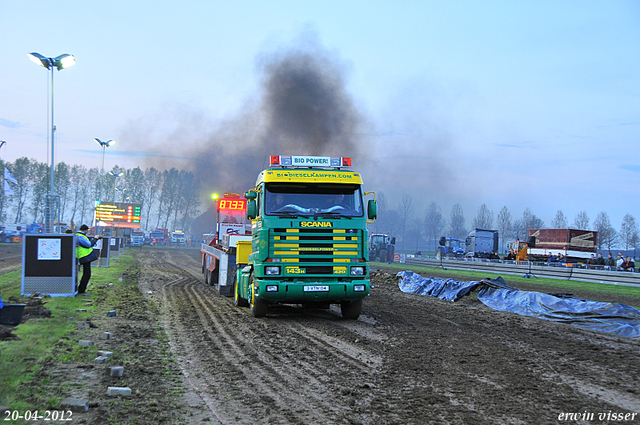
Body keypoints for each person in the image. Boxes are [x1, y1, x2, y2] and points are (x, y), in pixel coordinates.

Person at [75, 224, 101, 294]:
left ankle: (81, 289)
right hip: (84, 256)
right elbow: (89, 244)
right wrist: (95, 239)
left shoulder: (78, 235)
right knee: (87, 274)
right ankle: (81, 290)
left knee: (86, 273)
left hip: (83, 255)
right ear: (85, 230)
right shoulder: (81, 236)